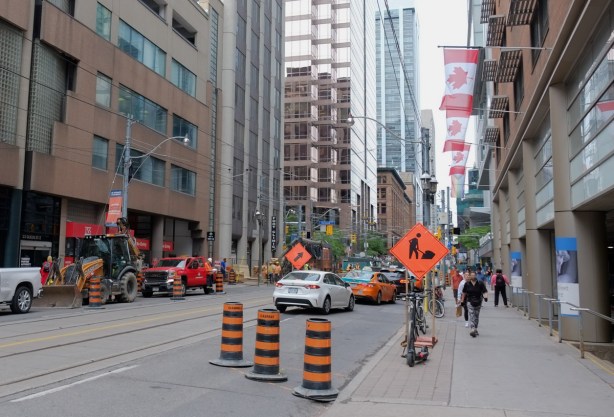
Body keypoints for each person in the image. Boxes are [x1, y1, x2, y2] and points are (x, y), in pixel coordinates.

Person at [461, 271, 488, 337]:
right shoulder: (467, 284)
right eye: (471, 275)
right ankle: (472, 329)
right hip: (470, 301)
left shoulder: (480, 283)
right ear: (470, 276)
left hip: (478, 301)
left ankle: (475, 328)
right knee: (471, 315)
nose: (473, 276)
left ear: (476, 276)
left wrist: (486, 297)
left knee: (476, 316)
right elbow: (464, 293)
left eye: (474, 275)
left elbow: (485, 291)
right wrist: (462, 300)